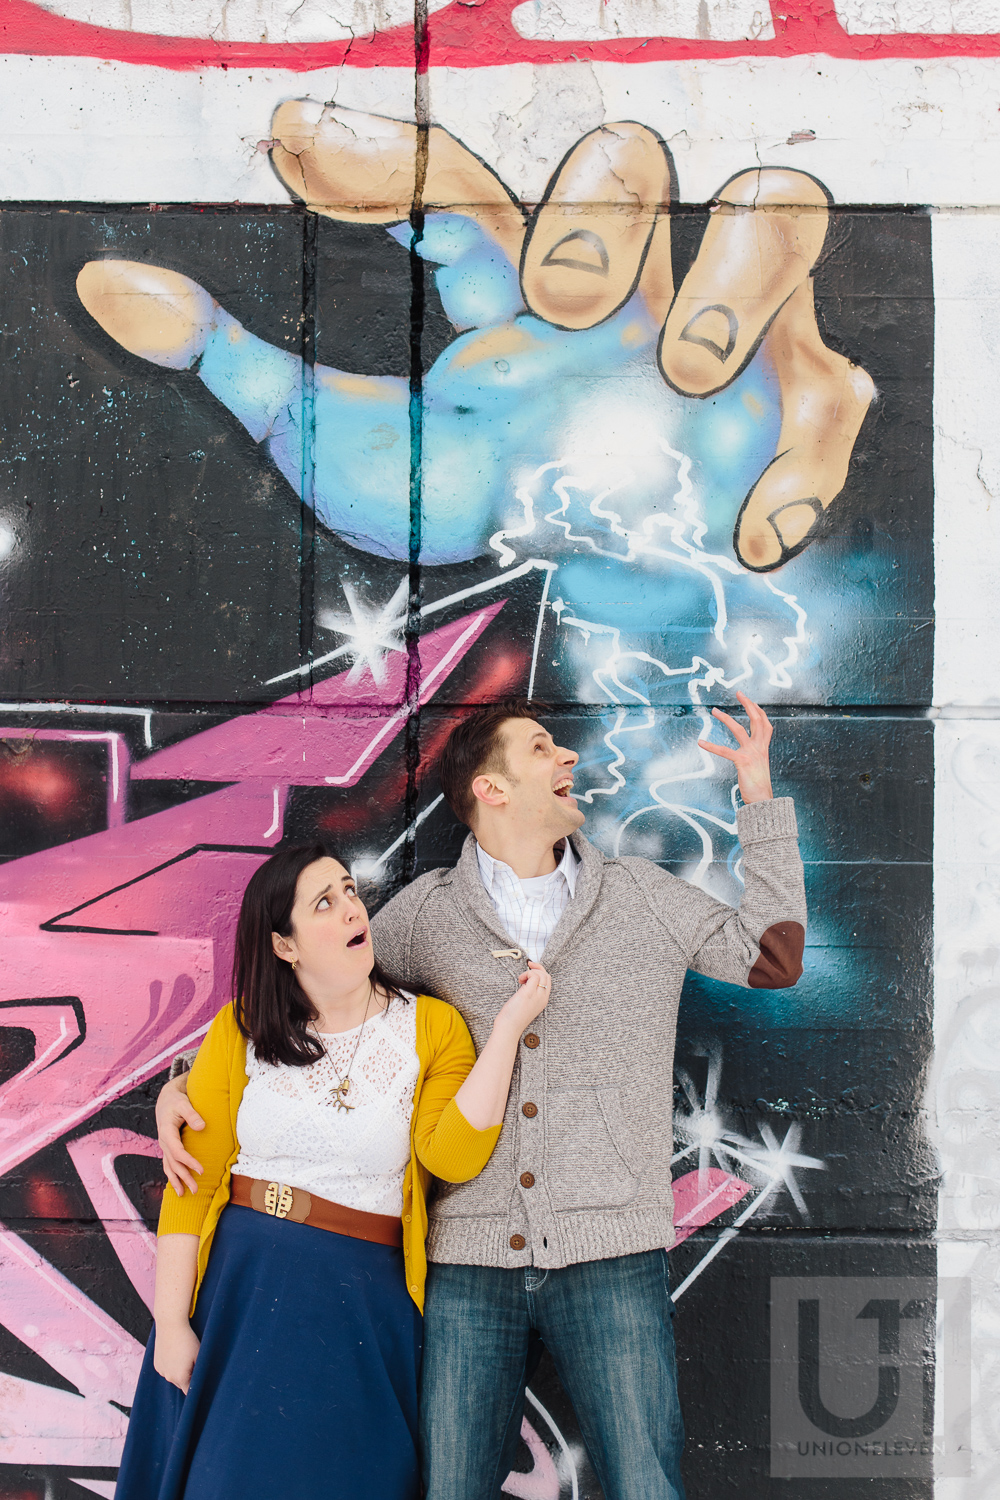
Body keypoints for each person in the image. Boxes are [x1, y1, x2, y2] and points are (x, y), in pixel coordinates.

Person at [157, 693, 806, 1500]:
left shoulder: (641, 897)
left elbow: (773, 957)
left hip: (611, 1250)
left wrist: (759, 798)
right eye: (542, 748)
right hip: (467, 1263)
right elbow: (309, 998)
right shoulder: (428, 913)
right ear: (491, 790)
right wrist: (180, 1086)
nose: (568, 758)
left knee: (647, 1486)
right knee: (451, 1487)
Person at [122, 841, 551, 1500]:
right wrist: (173, 1324)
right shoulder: (239, 1031)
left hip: (361, 1306)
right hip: (240, 1297)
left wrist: (507, 1030)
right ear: (285, 945)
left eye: (350, 891)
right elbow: (191, 1189)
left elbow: (453, 1154)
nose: (352, 909)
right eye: (324, 902)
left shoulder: (429, 1027)